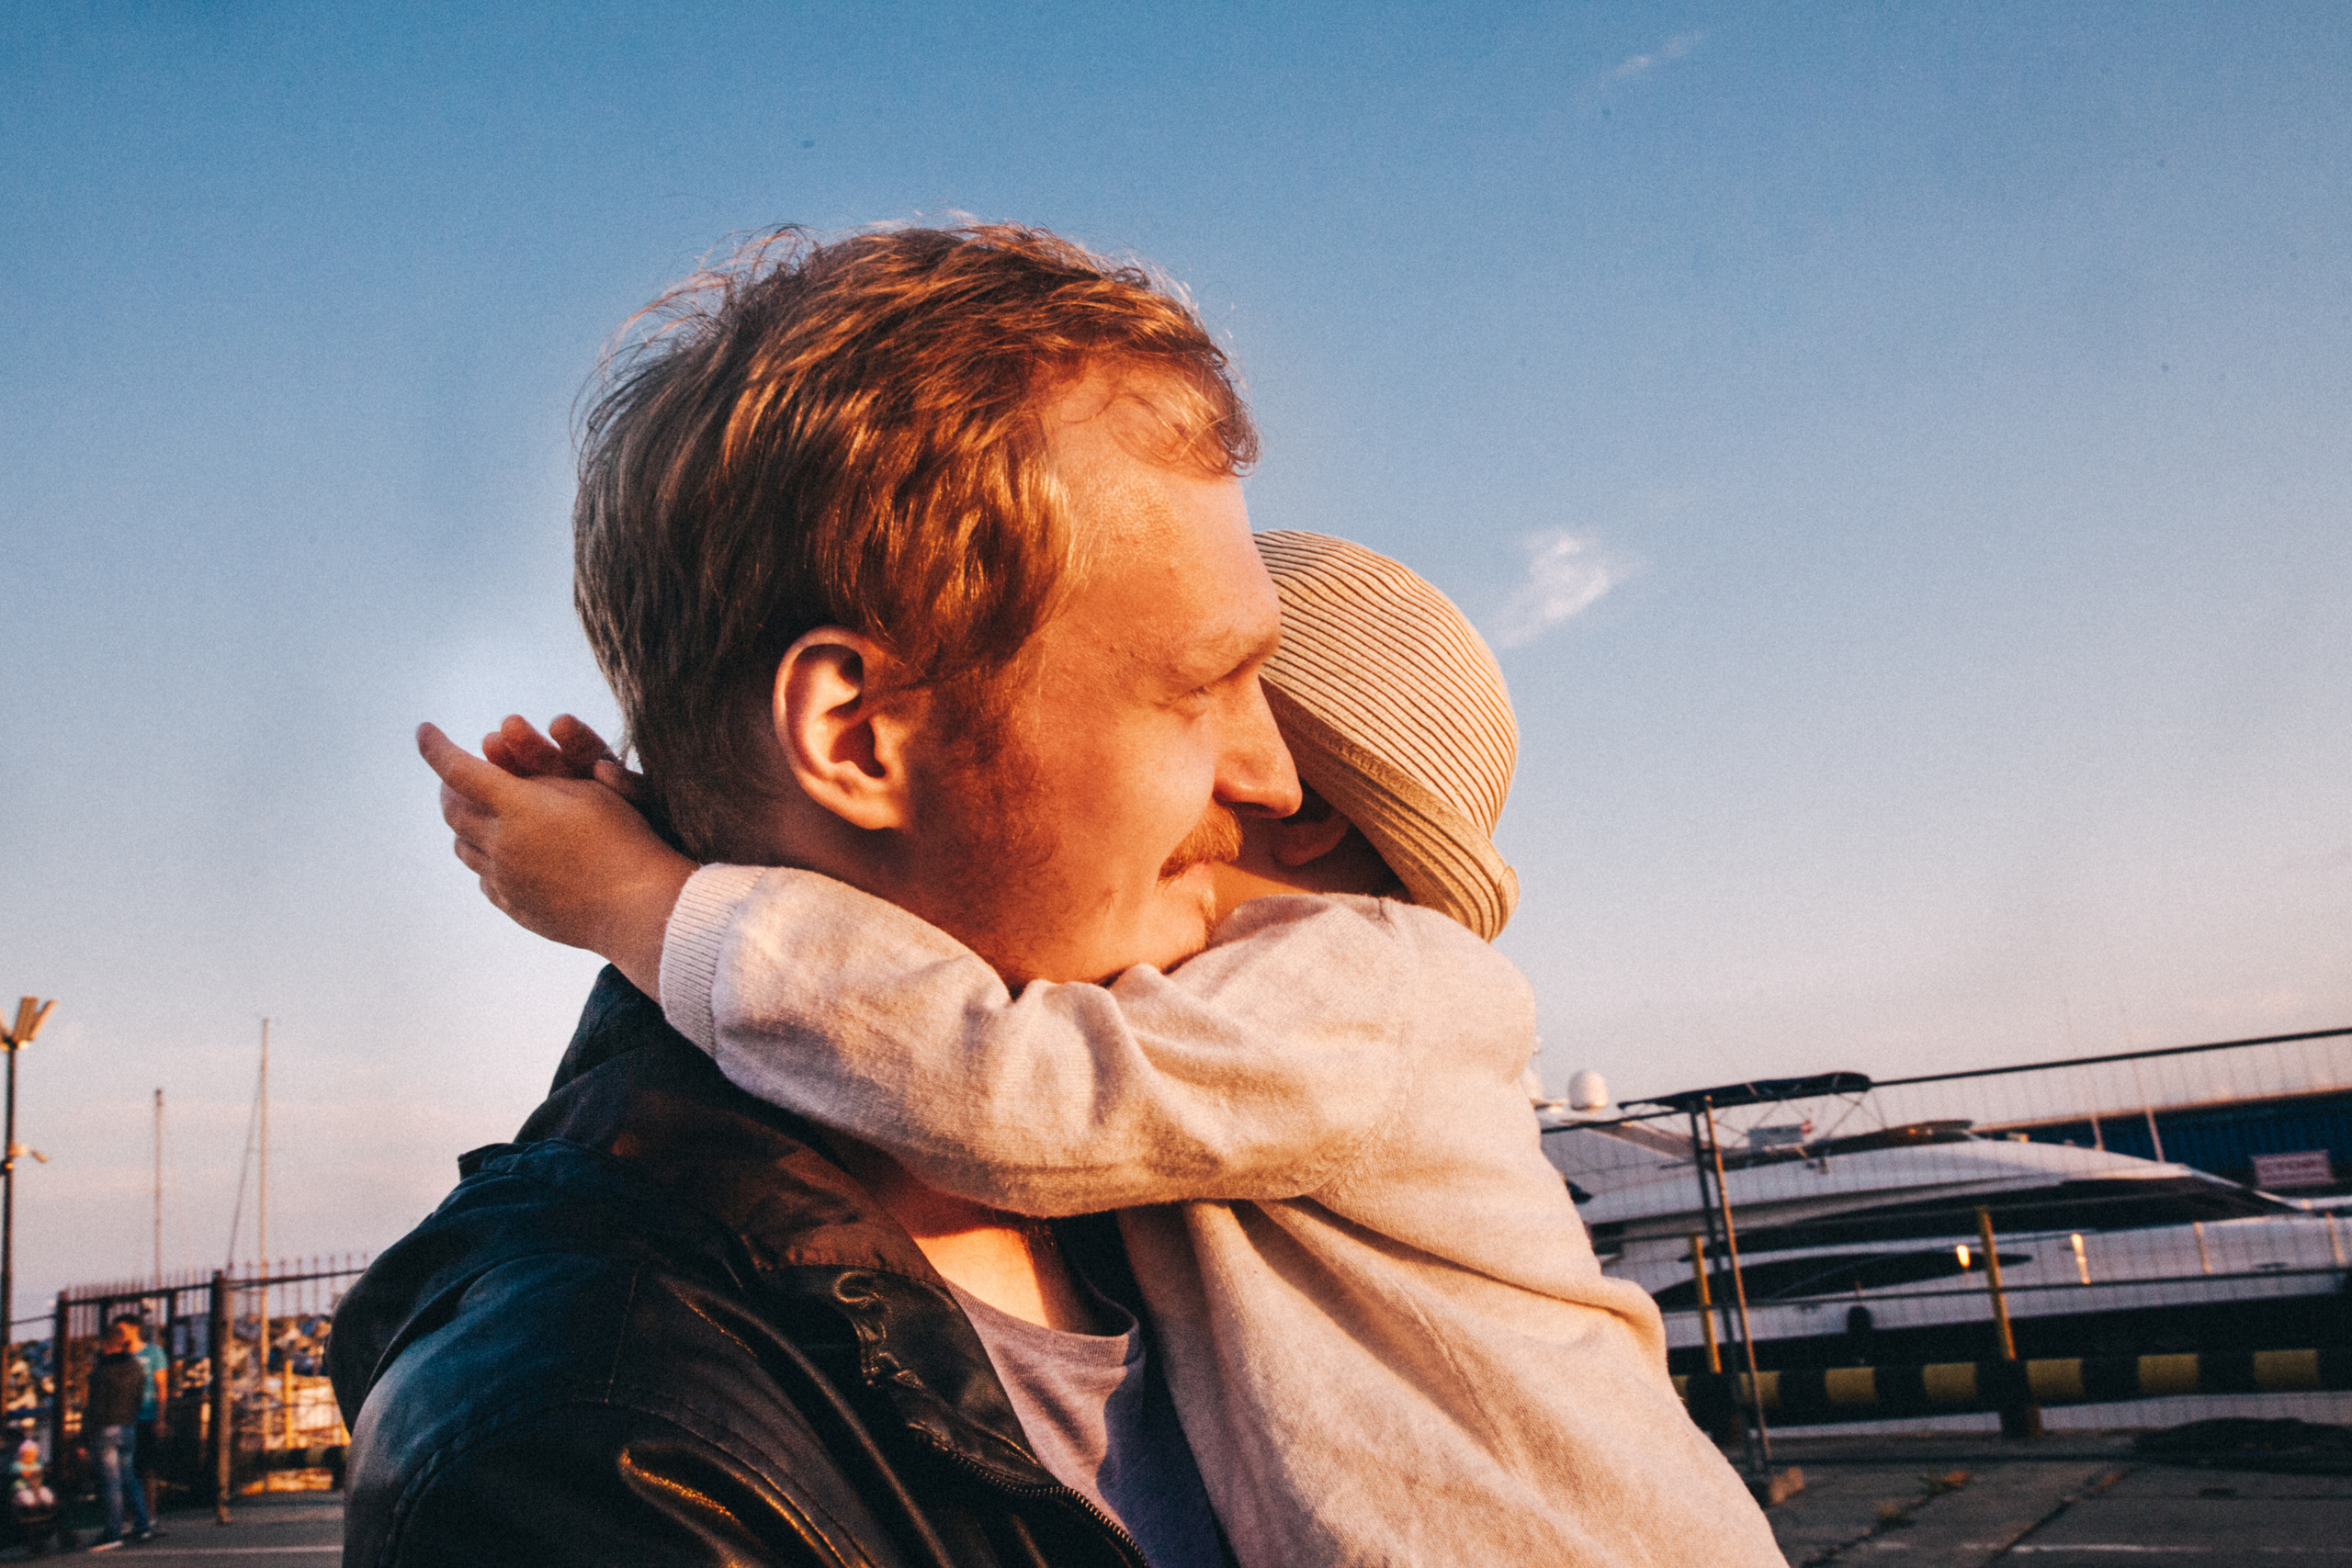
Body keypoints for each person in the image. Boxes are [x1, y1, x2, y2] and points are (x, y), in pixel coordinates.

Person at [435, 533, 1782, 1566]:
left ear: (1295, 804)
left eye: (1203, 691)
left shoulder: (1376, 980)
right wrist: (681, 827)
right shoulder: (1232, 1020)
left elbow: (1005, 1078)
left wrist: (645, 903)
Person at [334, 223, 1303, 1566]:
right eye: (1200, 685)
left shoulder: (1183, 1178)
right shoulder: (596, 1447)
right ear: (856, 736)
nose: (1278, 775)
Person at [81, 1316, 154, 1549]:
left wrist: (85, 1436)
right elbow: (138, 1398)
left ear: (107, 1344)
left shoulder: (103, 1370)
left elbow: (95, 1405)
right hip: (128, 1426)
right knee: (128, 1477)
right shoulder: (135, 1367)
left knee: (111, 1483)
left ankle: (113, 1532)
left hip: (105, 1428)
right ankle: (143, 1524)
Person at [124, 1316, 170, 1528]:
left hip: (147, 1416)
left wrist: (160, 1418)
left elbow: (162, 1386)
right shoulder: (120, 1354)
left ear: (134, 1329)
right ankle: (130, 1516)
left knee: (147, 1470)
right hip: (125, 1417)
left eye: (122, 1329)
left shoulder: (153, 1353)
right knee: (127, 1469)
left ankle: (150, 1515)